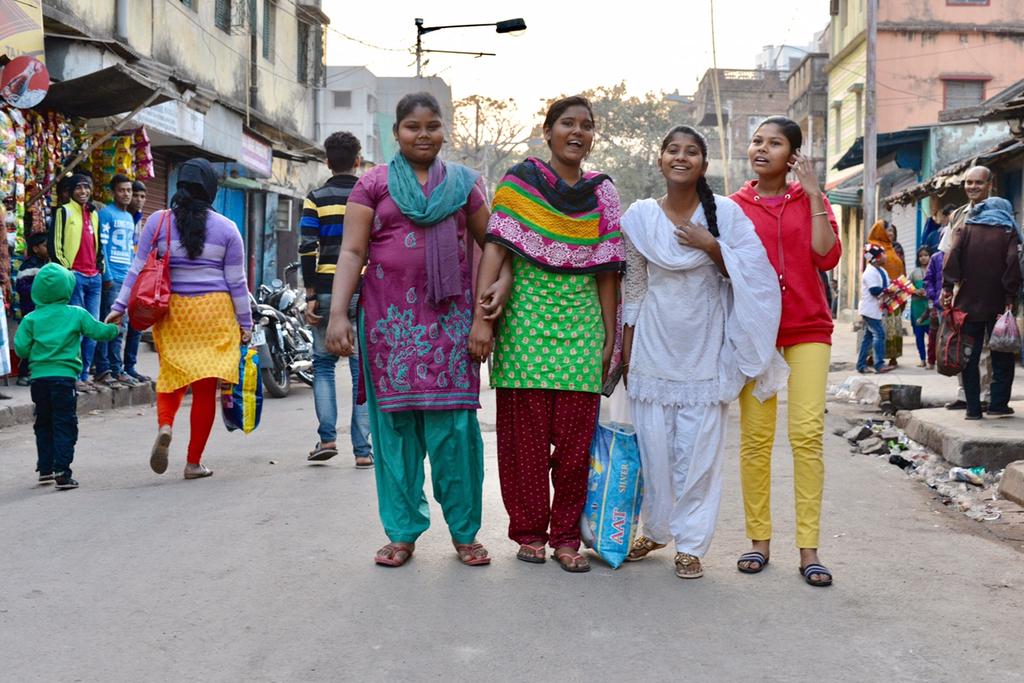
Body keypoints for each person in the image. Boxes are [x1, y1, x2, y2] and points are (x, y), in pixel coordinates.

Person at [325, 93, 505, 568]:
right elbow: (351, 253)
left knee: (455, 435)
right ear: (396, 132)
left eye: (432, 125)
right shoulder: (372, 185)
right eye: (412, 126)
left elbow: (494, 247)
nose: (422, 134)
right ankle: (402, 533)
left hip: (452, 326)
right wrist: (338, 313)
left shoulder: (466, 184)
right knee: (396, 434)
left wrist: (488, 309)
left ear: (445, 130)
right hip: (390, 327)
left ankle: (465, 534)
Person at [617, 125, 783, 579]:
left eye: (692, 152)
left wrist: (712, 246)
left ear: (703, 166)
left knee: (699, 455)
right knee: (654, 450)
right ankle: (656, 529)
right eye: (673, 150)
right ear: (660, 160)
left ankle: (690, 545)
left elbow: (755, 274)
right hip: (653, 342)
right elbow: (633, 286)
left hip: (706, 346)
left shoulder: (725, 216)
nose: (681, 157)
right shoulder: (640, 217)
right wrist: (626, 355)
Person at [469, 96, 623, 574]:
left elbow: (608, 271)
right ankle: (531, 533)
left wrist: (609, 337)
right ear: (547, 131)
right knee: (525, 444)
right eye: (568, 124)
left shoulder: (604, 194)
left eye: (587, 126)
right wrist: (482, 321)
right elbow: (496, 252)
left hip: (581, 327)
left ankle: (566, 538)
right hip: (524, 327)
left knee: (576, 449)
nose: (578, 132)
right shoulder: (520, 183)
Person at [731, 116, 841, 587]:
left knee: (806, 436)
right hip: (757, 335)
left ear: (792, 155)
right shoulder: (733, 206)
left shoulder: (811, 200)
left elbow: (827, 256)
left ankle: (809, 550)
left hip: (808, 330)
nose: (763, 149)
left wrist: (814, 193)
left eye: (774, 143)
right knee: (756, 440)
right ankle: (759, 542)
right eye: (757, 141)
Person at [107, 158, 252, 479]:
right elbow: (237, 283)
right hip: (215, 313)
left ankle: (165, 425)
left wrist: (119, 307)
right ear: (211, 190)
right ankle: (193, 462)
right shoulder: (228, 229)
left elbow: (136, 269)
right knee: (204, 389)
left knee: (172, 376)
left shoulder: (158, 222)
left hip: (174, 312)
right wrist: (246, 323)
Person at [299, 131, 373, 468]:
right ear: (357, 160)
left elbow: (307, 248)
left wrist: (311, 294)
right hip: (364, 288)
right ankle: (363, 450)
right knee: (361, 370)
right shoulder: (370, 194)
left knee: (324, 365)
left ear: (328, 162)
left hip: (327, 289)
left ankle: (327, 438)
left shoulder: (316, 197)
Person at [14, 263, 118, 489]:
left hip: (39, 380)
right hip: (64, 379)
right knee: (64, 423)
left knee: (43, 423)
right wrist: (115, 327)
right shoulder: (76, 314)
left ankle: (45, 469)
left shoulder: (31, 318)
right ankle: (62, 471)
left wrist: (37, 354)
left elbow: (21, 348)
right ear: (67, 287)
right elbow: (100, 332)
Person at [941, 197, 1021, 420]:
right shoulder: (1007, 231)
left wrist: (948, 287)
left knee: (969, 355)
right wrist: (1010, 295)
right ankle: (997, 404)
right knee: (1002, 353)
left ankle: (973, 409)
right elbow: (1013, 263)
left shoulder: (965, 228)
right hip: (998, 304)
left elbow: (951, 257)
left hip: (968, 303)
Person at [941, 166, 994, 410]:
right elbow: (946, 253)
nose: (972, 187)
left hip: (988, 289)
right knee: (961, 342)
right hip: (961, 291)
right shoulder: (958, 215)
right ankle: (965, 395)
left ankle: (984, 396)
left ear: (990, 185)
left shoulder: (997, 213)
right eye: (968, 182)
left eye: (978, 183)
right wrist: (946, 288)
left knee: (984, 347)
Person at [49, 173, 104, 393]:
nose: (83, 192)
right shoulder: (64, 211)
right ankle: (72, 375)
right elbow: (55, 246)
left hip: (94, 278)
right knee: (76, 329)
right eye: (79, 188)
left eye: (86, 188)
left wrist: (100, 268)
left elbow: (98, 244)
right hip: (76, 277)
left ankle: (84, 374)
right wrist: (68, 271)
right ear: (71, 191)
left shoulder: (94, 213)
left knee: (92, 328)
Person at [93, 174, 139, 387]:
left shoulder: (130, 217)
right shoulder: (106, 214)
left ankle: (116, 369)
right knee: (109, 324)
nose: (127, 194)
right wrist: (107, 275)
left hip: (126, 279)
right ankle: (104, 369)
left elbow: (131, 250)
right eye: (122, 190)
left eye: (129, 190)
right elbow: (101, 246)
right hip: (112, 279)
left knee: (122, 325)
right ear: (113, 192)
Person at [122, 179, 150, 383]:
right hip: (120, 277)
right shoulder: (121, 217)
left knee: (136, 324)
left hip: (137, 279)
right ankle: (111, 367)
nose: (139, 200)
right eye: (136, 195)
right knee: (118, 325)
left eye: (142, 196)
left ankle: (129, 366)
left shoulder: (140, 220)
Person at [868, 220, 905, 367]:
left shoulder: (893, 248)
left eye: (892, 231)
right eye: (888, 231)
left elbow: (901, 269)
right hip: (880, 294)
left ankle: (892, 356)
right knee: (878, 326)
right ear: (880, 232)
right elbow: (870, 271)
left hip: (895, 293)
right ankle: (873, 356)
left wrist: (903, 289)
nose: (891, 234)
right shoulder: (873, 247)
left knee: (892, 326)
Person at [14, 232, 49, 385]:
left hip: (44, 310)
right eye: (45, 246)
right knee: (30, 342)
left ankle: (38, 373)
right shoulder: (28, 265)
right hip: (31, 310)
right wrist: (40, 291)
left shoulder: (48, 263)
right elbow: (22, 287)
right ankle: (23, 373)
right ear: (35, 248)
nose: (48, 249)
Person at [857, 245, 893, 375]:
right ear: (877, 258)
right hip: (869, 309)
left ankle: (860, 365)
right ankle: (879, 364)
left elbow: (888, 285)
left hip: (876, 309)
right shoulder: (870, 272)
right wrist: (889, 290)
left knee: (868, 338)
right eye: (883, 254)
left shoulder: (882, 271)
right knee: (879, 334)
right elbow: (874, 290)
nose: (885, 256)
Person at [909, 246, 933, 368]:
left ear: (930, 256)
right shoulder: (914, 272)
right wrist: (916, 291)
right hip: (917, 307)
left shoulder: (933, 269)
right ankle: (922, 359)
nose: (923, 258)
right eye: (921, 256)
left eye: (926, 255)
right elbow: (907, 287)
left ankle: (931, 359)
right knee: (919, 336)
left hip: (930, 306)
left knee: (932, 335)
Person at [923, 247, 945, 371]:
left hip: (957, 305)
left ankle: (949, 361)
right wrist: (934, 297)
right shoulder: (936, 258)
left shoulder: (961, 254)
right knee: (936, 334)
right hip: (938, 306)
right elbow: (928, 280)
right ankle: (934, 361)